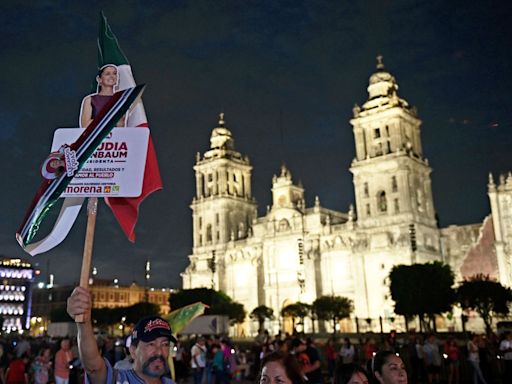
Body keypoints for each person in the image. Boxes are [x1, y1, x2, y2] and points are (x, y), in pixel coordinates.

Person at [66, 286, 176, 384]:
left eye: (165, 344)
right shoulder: (117, 379)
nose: (159, 351)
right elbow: (93, 368)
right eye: (151, 344)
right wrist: (83, 323)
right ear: (133, 351)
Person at [79, 64, 126, 129]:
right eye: (107, 74)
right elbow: (85, 125)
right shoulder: (89, 100)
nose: (112, 76)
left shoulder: (121, 99)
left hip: (115, 137)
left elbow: (120, 125)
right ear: (99, 79)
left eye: (114, 73)